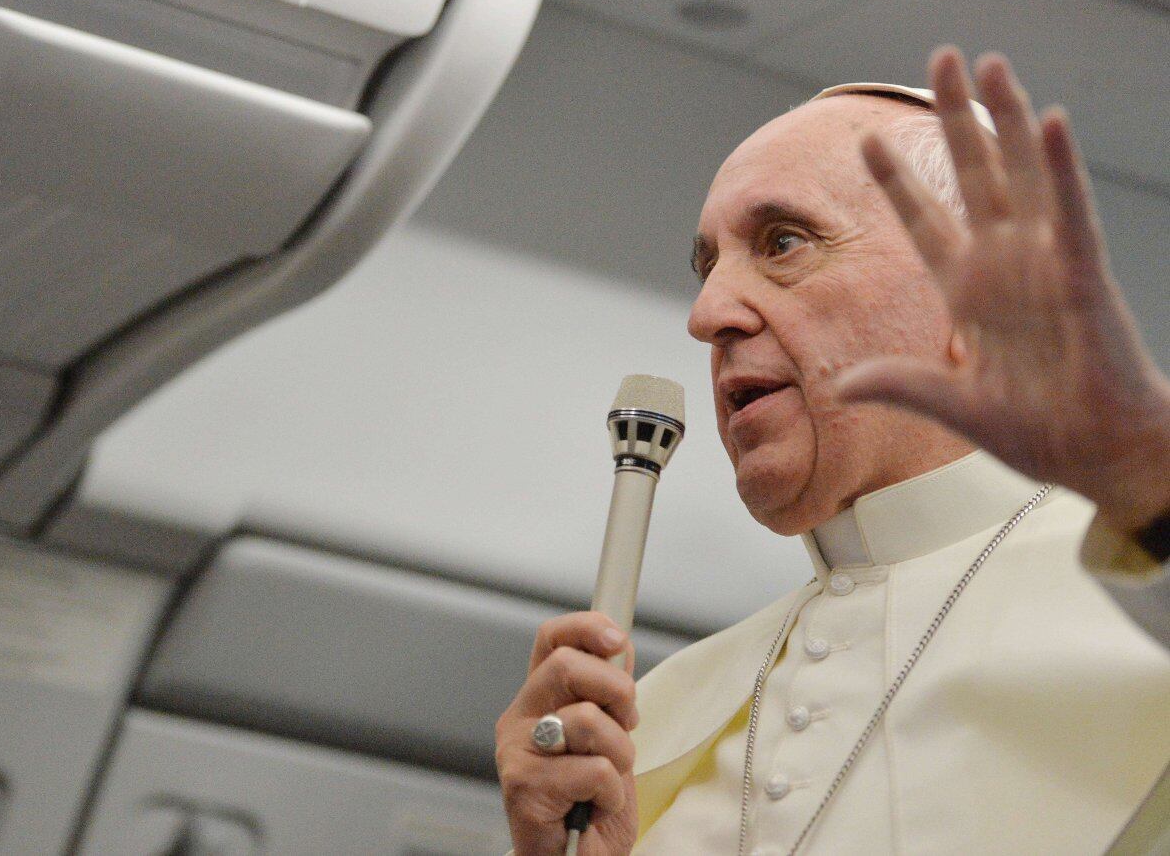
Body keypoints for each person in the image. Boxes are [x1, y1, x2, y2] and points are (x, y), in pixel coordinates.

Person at [494, 47, 1170, 855]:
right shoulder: (653, 714)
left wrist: (1149, 482)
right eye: (707, 268)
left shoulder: (1146, 594)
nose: (707, 315)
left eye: (783, 243)